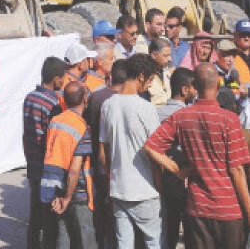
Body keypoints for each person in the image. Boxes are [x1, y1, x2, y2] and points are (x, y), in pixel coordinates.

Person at [145, 63, 250, 249]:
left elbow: (151, 147)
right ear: (218, 85)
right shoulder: (229, 119)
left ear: (195, 87)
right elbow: (237, 170)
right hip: (228, 209)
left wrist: (178, 170)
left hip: (197, 208)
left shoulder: (182, 116)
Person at [99, 53, 163, 249]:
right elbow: (156, 153)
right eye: (151, 79)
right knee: (154, 242)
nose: (150, 85)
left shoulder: (108, 104)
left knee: (124, 242)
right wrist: (160, 186)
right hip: (145, 190)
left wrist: (112, 178)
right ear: (141, 75)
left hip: (119, 189)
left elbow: (103, 150)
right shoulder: (146, 108)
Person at [41, 81, 97, 249]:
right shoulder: (81, 128)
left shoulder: (55, 121)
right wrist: (67, 197)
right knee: (86, 239)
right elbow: (74, 169)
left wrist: (60, 195)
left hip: (55, 188)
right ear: (85, 98)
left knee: (64, 237)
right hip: (77, 193)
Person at [23, 57, 66, 249]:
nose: (63, 82)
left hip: (33, 163)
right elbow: (54, 138)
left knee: (34, 217)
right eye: (62, 78)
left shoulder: (30, 97)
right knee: (50, 220)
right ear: (56, 78)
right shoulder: (53, 103)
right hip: (47, 166)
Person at [84, 59, 127, 249]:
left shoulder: (96, 97)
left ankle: (102, 242)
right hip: (120, 164)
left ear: (111, 76)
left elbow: (90, 125)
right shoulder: (127, 100)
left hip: (99, 162)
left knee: (101, 207)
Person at [157, 67, 196, 249]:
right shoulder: (189, 115)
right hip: (185, 172)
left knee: (169, 225)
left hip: (164, 171)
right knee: (189, 227)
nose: (196, 91)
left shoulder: (157, 112)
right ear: (184, 90)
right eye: (193, 87)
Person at [146, 38, 173, 106]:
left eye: (170, 55)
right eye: (166, 56)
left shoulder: (167, 72)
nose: (170, 59)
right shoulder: (145, 75)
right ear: (154, 55)